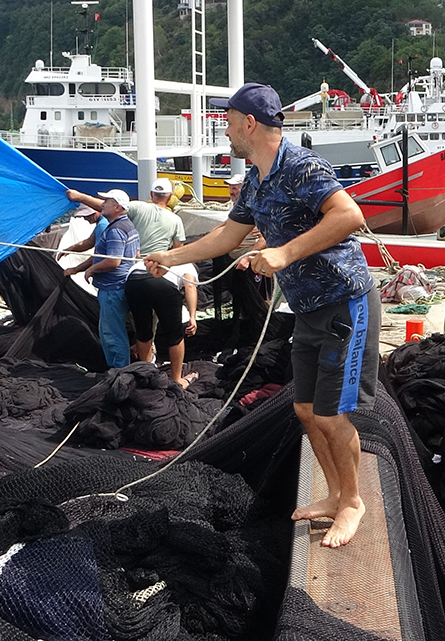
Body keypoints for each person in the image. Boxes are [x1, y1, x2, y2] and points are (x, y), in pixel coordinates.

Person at [145, 82, 379, 549]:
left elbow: (349, 215)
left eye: (228, 119)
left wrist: (283, 254)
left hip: (344, 303)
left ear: (249, 123)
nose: (224, 128)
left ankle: (353, 502)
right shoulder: (256, 177)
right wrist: (170, 258)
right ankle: (334, 495)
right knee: (305, 410)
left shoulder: (301, 166)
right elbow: (227, 237)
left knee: (333, 416)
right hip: (310, 309)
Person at [64, 189, 139, 369]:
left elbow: (113, 261)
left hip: (113, 288)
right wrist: (77, 267)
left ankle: (118, 371)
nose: (102, 203)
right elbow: (134, 254)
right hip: (121, 285)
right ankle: (119, 369)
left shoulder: (116, 230)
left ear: (117, 207)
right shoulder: (128, 226)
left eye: (106, 201)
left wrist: (91, 270)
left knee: (112, 334)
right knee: (112, 331)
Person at [124, 259, 199, 386]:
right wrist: (193, 316)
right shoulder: (188, 265)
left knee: (143, 332)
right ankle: (177, 379)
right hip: (161, 283)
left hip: (133, 280)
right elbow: (190, 286)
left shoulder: (164, 255)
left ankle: (147, 375)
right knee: (175, 336)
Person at [65, 177, 184, 256]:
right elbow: (178, 250)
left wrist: (80, 197)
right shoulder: (176, 220)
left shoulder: (138, 207)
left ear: (151, 194)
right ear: (170, 197)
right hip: (157, 267)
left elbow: (107, 207)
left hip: (134, 265)